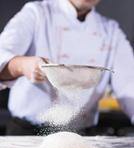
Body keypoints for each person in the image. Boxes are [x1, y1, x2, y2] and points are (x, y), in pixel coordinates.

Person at [0, 0, 134, 135]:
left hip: (82, 135)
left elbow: (130, 86)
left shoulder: (111, 32)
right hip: (26, 133)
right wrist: (23, 65)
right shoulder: (37, 13)